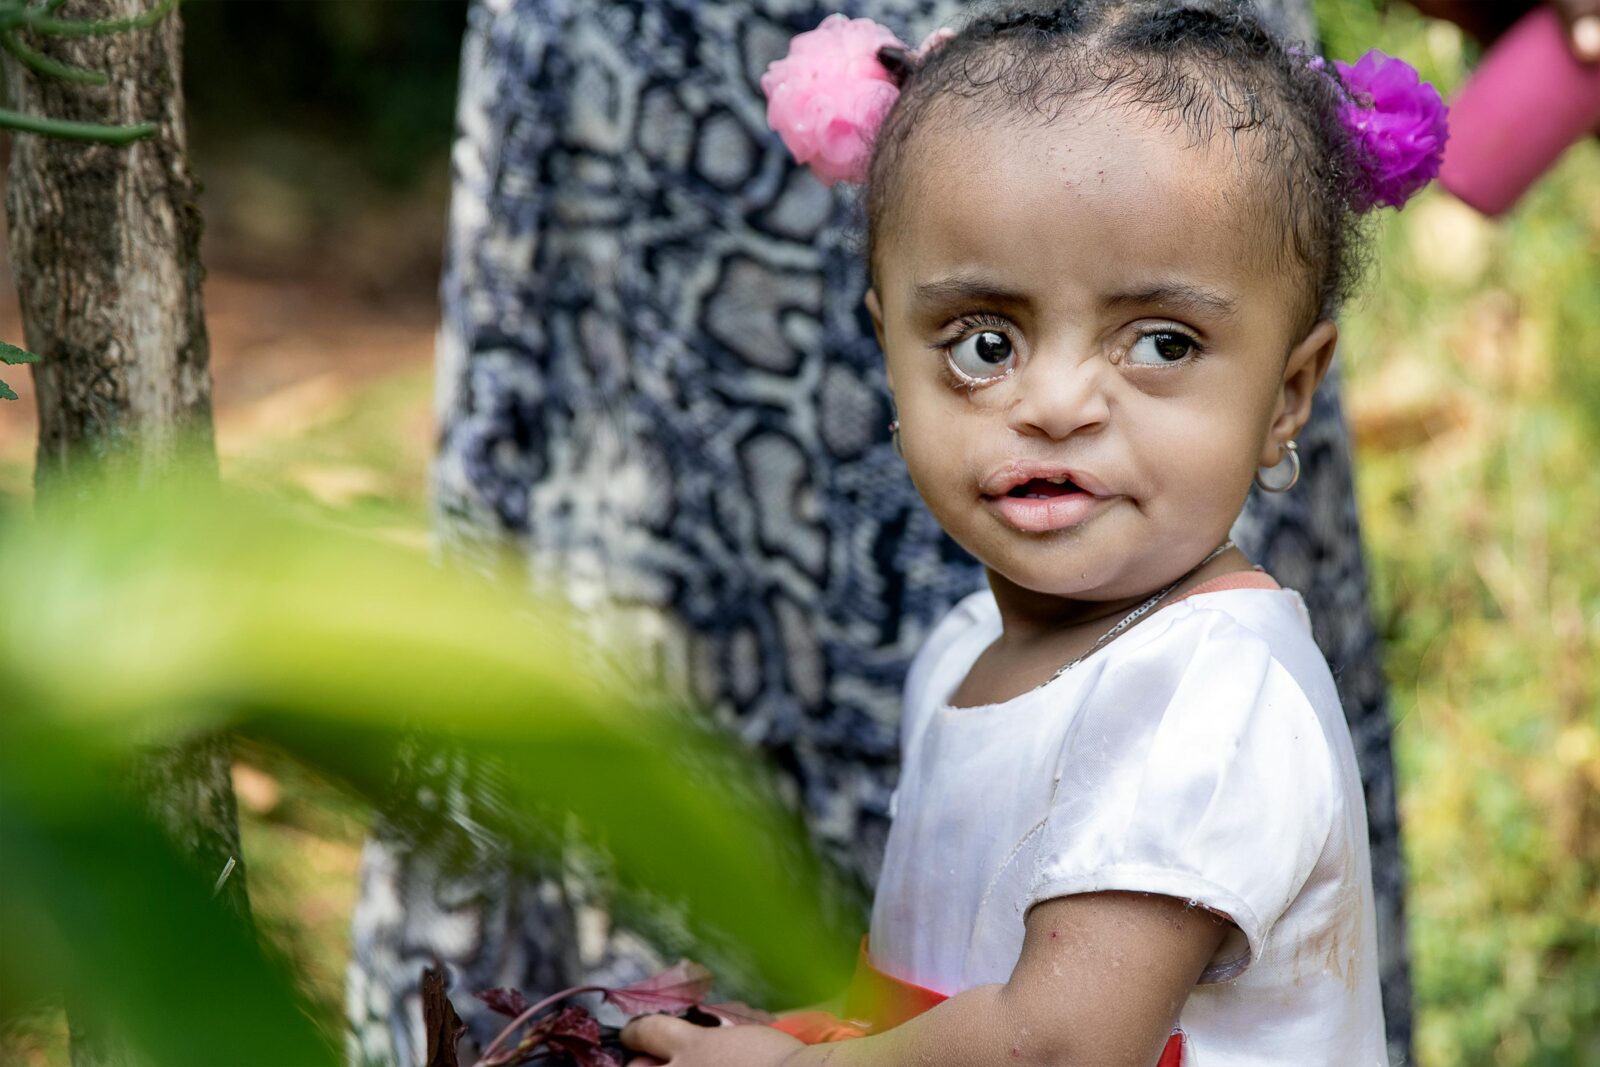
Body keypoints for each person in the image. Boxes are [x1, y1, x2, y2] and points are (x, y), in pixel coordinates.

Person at [348, 1, 1415, 1064]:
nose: (1053, 402)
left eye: (1164, 343)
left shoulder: (1213, 693)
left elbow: (1056, 1044)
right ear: (887, 346)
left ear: (1287, 394)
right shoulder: (968, 647)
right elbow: (951, 997)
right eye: (985, 341)